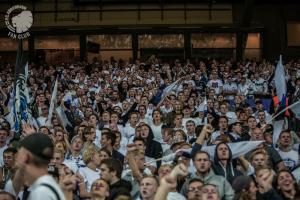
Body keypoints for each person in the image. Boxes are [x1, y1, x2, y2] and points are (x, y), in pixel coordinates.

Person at [16, 133, 65, 200]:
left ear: (25, 157)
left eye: (18, 154)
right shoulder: (45, 187)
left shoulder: (42, 192)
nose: (16, 160)